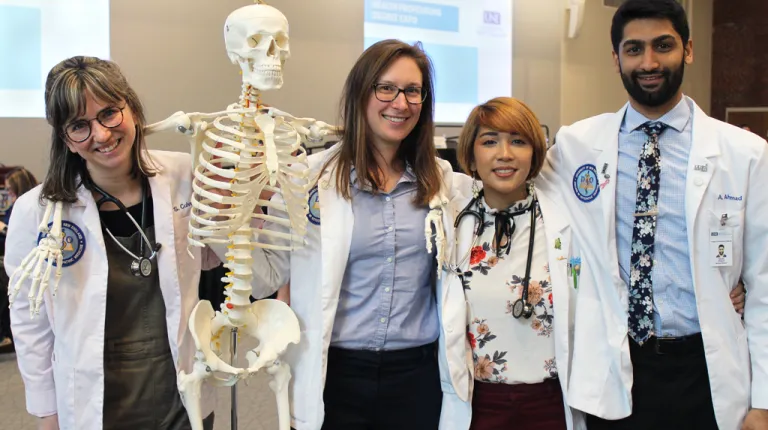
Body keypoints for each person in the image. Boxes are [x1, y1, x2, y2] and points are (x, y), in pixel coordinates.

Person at [537, 0, 768, 429]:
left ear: (688, 50)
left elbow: (765, 283)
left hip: (705, 369)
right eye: (634, 49)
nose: (648, 62)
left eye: (663, 45)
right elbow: (514, 190)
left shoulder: (746, 153)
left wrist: (764, 402)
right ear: (616, 58)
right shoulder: (576, 145)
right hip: (617, 365)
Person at [245, 39, 471, 430]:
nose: (400, 103)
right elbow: (265, 279)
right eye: (386, 88)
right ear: (360, 94)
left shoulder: (445, 183)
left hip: (416, 376)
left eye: (413, 91)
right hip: (338, 375)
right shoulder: (306, 179)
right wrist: (235, 219)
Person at [5, 56, 218, 430]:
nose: (101, 135)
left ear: (132, 109)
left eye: (108, 113)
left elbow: (213, 259)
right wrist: (47, 412)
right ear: (65, 140)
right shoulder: (35, 212)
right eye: (79, 126)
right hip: (93, 403)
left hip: (181, 394)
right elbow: (30, 320)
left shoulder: (186, 175)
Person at [439, 97, 586, 430]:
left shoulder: (564, 221)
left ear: (535, 153)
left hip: (551, 402)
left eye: (518, 141)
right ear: (471, 156)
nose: (504, 154)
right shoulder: (452, 223)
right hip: (477, 405)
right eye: (489, 141)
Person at [0, 167, 39, 352]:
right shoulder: (14, 207)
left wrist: (3, 228)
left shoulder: (29, 207)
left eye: (10, 189)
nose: (8, 193)